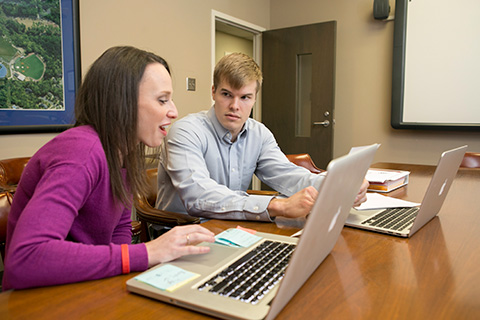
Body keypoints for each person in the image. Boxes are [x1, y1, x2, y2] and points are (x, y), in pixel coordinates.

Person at [3, 46, 215, 291]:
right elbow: (26, 258)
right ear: (121, 101)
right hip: (41, 301)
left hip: (84, 289)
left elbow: (120, 228)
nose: (174, 111)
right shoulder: (82, 150)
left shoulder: (123, 152)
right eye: (162, 100)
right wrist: (146, 252)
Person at [156, 52, 368, 222]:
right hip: (181, 231)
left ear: (255, 98)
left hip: (231, 227)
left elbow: (289, 176)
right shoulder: (186, 131)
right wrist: (278, 205)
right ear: (213, 92)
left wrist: (340, 185)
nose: (235, 106)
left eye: (245, 97)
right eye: (226, 94)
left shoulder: (259, 134)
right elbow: (198, 196)